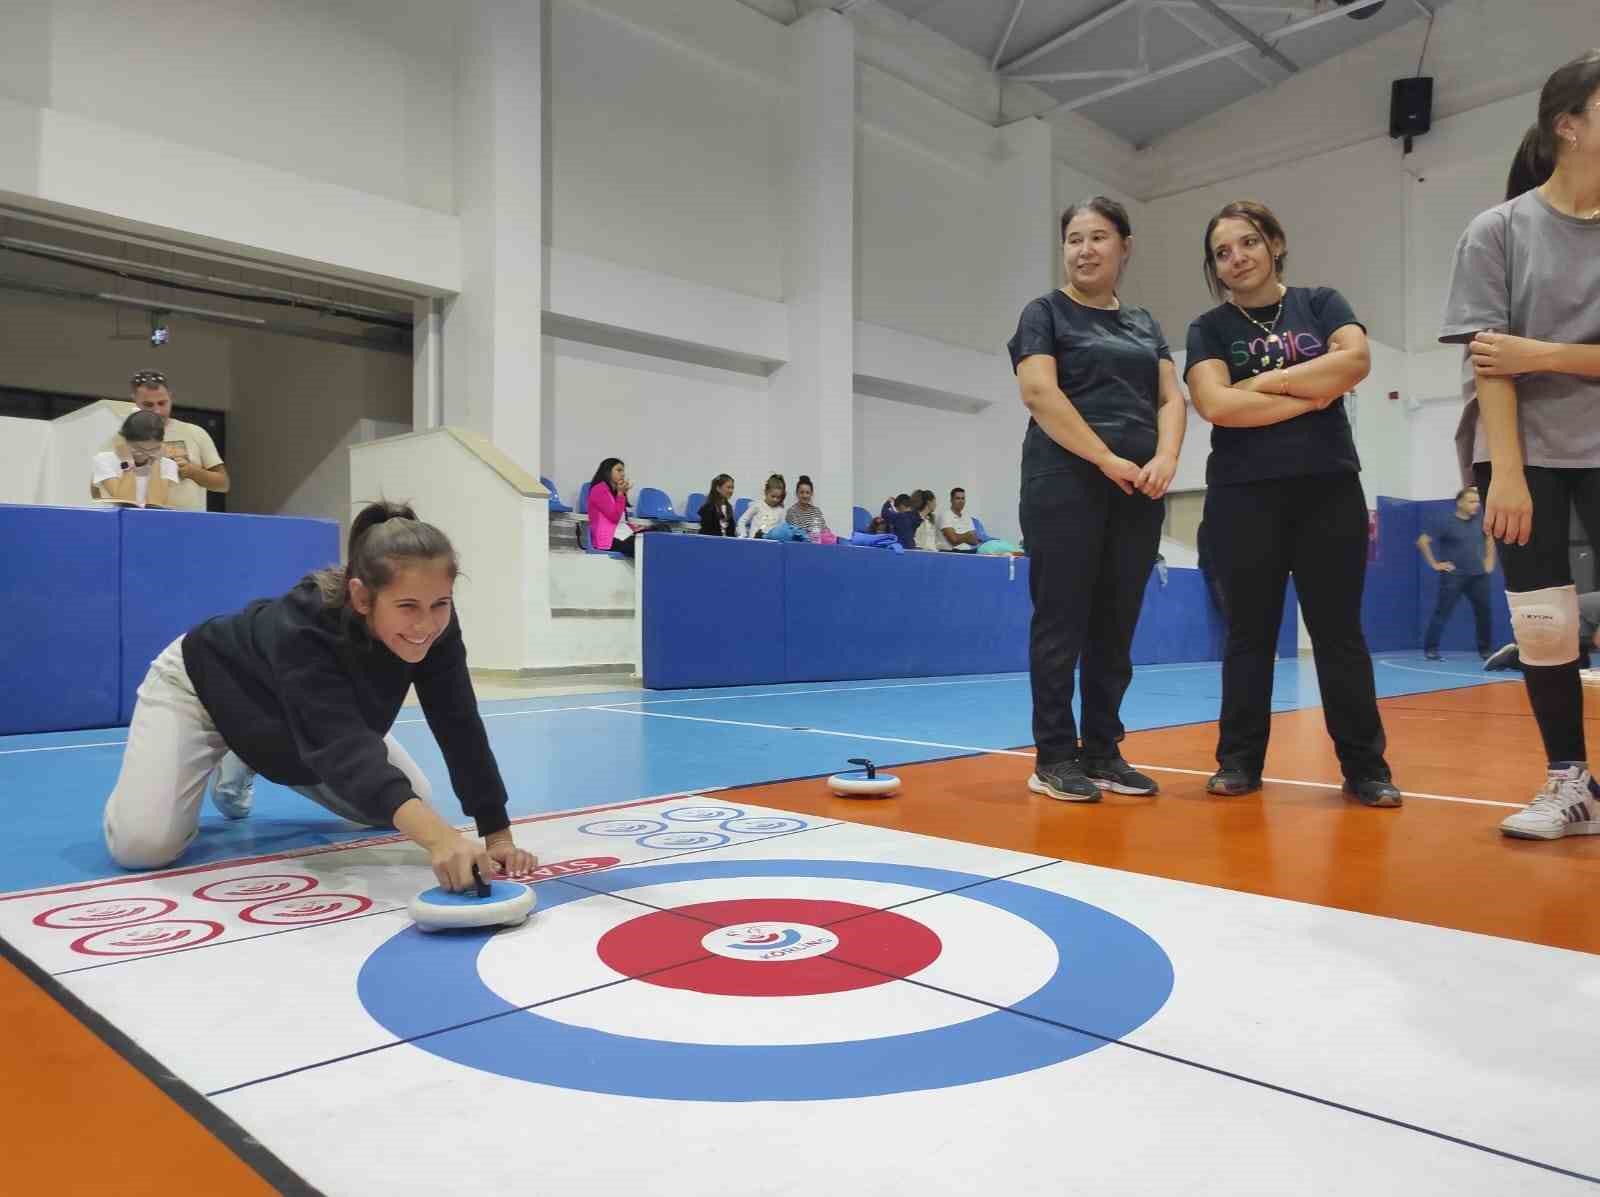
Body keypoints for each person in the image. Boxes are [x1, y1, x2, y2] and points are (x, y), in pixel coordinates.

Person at [102, 502, 538, 888]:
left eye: (440, 604)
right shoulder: (304, 627)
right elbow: (344, 747)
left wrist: (496, 833)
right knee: (142, 846)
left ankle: (253, 750)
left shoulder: (434, 623)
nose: (425, 625)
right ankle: (242, 744)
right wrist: (442, 838)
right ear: (362, 597)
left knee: (410, 803)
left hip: (308, 717)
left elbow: (457, 720)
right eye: (407, 607)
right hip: (205, 689)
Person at [1185, 199, 1400, 807]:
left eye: (1248, 243)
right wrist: (1311, 391)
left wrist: (1261, 382)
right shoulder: (1207, 329)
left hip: (1327, 491)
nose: (1237, 259)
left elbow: (1355, 361)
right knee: (1249, 636)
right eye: (1222, 253)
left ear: (1275, 242)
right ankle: (1238, 762)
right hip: (1243, 497)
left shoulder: (1322, 301)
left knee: (1339, 635)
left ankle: (1366, 768)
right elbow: (1218, 407)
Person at [1440, 50, 1600, 840]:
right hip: (1521, 450)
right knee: (1544, 623)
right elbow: (1487, 362)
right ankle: (1570, 781)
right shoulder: (1497, 230)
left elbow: (1516, 354)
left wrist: (1543, 353)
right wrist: (1505, 472)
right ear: (1569, 126)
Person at [1008, 196, 1187, 802]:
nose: (1085, 250)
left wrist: (1165, 459)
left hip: (1138, 490)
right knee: (1062, 619)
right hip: (1065, 483)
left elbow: (1171, 398)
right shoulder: (1046, 313)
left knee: (1116, 624)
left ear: (1125, 246)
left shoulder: (1143, 323)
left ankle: (1104, 750)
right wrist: (1106, 459)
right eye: (1074, 239)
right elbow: (1039, 392)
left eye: (1098, 237)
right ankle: (1055, 756)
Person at [119, 370, 228, 511]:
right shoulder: (122, 436)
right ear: (134, 401)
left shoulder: (195, 433)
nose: (157, 411)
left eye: (162, 403)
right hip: (142, 520)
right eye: (148, 405)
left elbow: (223, 484)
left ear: (170, 398)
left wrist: (191, 471)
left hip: (190, 523)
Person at [1417, 485, 1496, 660]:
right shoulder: (1445, 522)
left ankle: (1486, 651)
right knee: (1442, 612)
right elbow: (1422, 541)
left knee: (1484, 613)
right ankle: (1431, 649)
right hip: (1454, 577)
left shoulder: (1482, 521)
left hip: (1479, 576)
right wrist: (1435, 564)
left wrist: (1489, 561)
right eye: (1471, 501)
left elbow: (1490, 538)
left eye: (1477, 501)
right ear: (1460, 503)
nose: (1476, 505)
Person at [1486, 591, 1600, 672]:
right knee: (1560, 670)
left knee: (1582, 668)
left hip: (1570, 626)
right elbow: (1598, 640)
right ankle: (1512, 656)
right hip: (1558, 626)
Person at [90, 410, 180, 507]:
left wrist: (155, 461)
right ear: (125, 441)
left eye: (152, 449)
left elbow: (155, 504)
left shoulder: (167, 464)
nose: (143, 454)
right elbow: (125, 502)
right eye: (137, 448)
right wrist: (128, 462)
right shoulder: (104, 460)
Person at [586, 457, 642, 558]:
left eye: (623, 471)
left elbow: (622, 519)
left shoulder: (616, 491)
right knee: (645, 546)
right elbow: (614, 517)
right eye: (619, 470)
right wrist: (621, 493)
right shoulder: (598, 490)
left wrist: (635, 528)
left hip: (625, 535)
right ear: (607, 471)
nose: (623, 474)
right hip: (609, 539)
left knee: (661, 530)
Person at [738, 474, 788, 539]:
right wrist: (743, 535)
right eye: (773, 496)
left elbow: (783, 529)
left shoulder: (781, 511)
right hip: (754, 542)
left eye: (778, 497)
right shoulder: (757, 505)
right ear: (766, 492)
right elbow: (742, 520)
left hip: (771, 543)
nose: (775, 500)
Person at [940, 487, 982, 552]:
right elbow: (953, 540)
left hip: (969, 551)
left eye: (963, 499)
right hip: (952, 553)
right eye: (957, 498)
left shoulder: (967, 517)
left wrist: (960, 536)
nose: (961, 501)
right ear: (951, 500)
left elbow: (974, 541)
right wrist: (968, 535)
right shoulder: (945, 515)